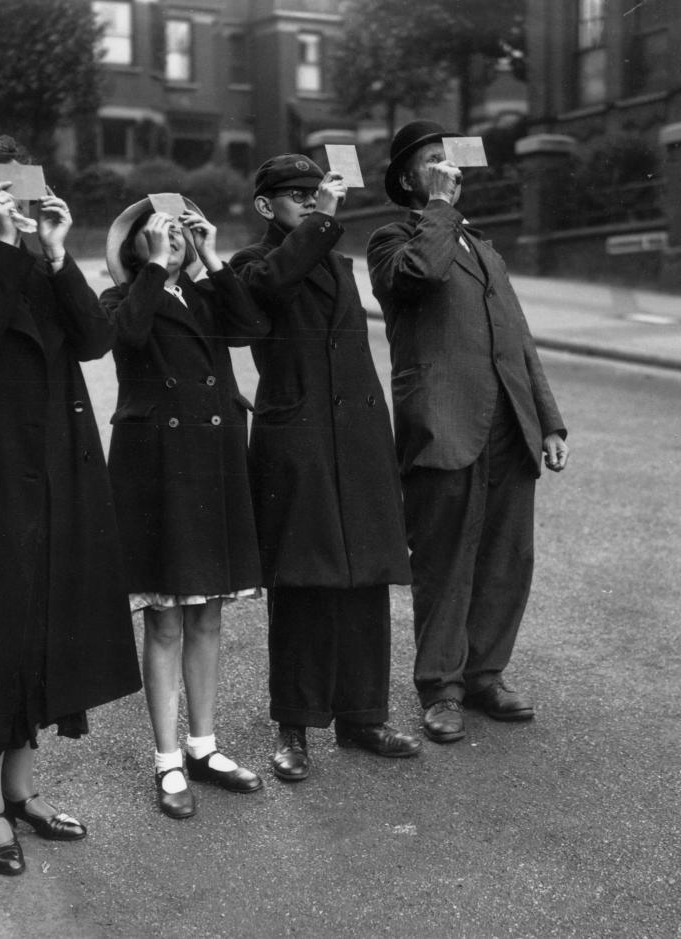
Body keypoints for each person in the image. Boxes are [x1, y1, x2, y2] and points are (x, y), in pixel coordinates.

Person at [0, 136, 141, 876]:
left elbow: (97, 338)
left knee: (40, 621)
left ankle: (21, 792)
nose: (9, 196)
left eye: (18, 185)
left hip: (52, 471)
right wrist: (8, 249)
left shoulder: (39, 262)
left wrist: (55, 253)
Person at [366, 120, 569, 744]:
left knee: (508, 558)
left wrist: (550, 419)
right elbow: (422, 274)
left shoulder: (483, 247)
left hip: (509, 421)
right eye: (432, 162)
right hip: (443, 423)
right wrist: (437, 208)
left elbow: (518, 338)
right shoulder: (390, 240)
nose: (447, 169)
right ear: (408, 177)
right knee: (445, 561)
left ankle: (485, 674)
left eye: (448, 161)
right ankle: (441, 689)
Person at [231, 154, 421, 781]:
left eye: (318, 192)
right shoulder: (250, 264)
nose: (313, 201)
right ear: (266, 206)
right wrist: (325, 221)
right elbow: (269, 290)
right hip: (302, 440)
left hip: (358, 435)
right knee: (305, 585)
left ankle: (364, 716)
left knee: (365, 579)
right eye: (297, 194)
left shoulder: (336, 258)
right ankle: (294, 727)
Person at [101, 197, 270, 819]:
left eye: (179, 233)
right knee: (167, 618)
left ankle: (204, 746)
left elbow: (252, 327)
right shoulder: (120, 300)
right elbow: (129, 338)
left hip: (213, 459)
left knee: (208, 614)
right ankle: (168, 759)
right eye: (160, 234)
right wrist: (153, 270)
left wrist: (212, 257)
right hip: (159, 470)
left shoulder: (202, 297)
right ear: (136, 247)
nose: (172, 241)